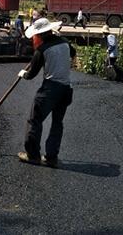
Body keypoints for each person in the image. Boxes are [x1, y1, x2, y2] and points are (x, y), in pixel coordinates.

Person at [17, 17, 74, 168]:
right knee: (57, 123)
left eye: (35, 36)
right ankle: (51, 157)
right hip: (66, 89)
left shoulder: (42, 50)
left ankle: (33, 155)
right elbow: (72, 53)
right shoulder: (64, 42)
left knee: (34, 120)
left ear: (39, 35)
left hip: (50, 89)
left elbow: (31, 75)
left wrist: (23, 73)